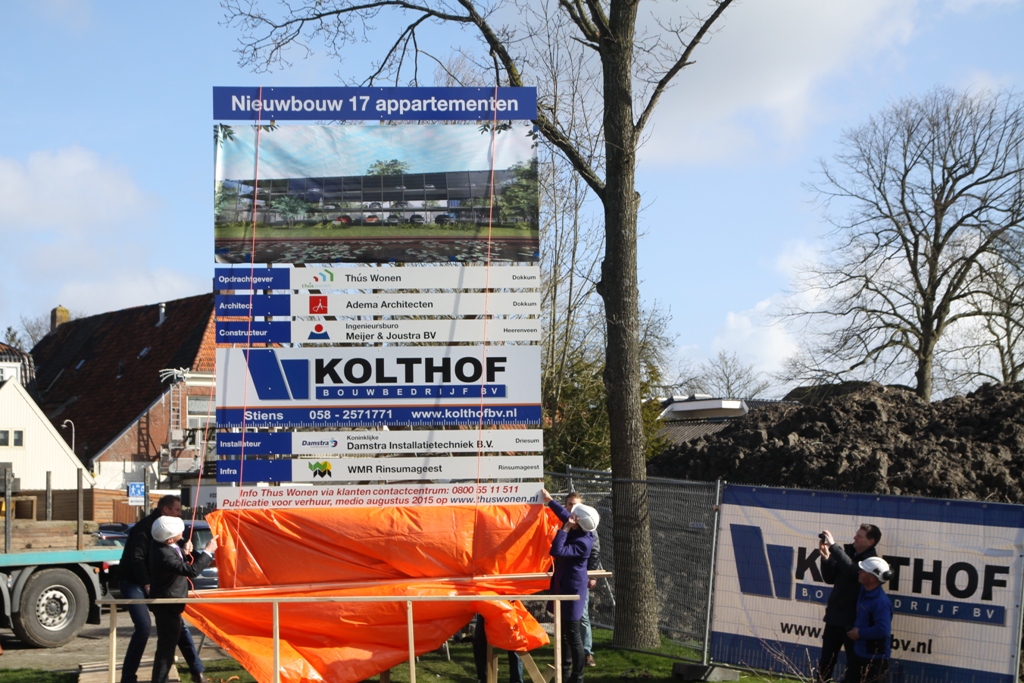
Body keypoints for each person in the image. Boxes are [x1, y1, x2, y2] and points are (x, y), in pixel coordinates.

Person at [117, 495, 207, 683]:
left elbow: (178, 547)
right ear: (166, 509)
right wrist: (146, 582)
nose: (179, 514)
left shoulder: (170, 528)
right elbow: (137, 558)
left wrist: (191, 551)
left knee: (178, 626)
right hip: (133, 581)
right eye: (177, 510)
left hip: (155, 583)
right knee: (143, 627)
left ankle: (197, 671)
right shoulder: (145, 527)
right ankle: (128, 677)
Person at [148, 515, 217, 683]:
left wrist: (187, 549)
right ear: (169, 539)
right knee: (166, 649)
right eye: (180, 532)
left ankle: (197, 672)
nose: (183, 533)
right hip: (167, 605)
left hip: (171, 605)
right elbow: (191, 571)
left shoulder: (166, 544)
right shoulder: (164, 554)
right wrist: (208, 551)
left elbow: (181, 557)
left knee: (180, 639)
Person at [541, 488, 598, 683]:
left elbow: (557, 550)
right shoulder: (581, 529)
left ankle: (577, 677)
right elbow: (566, 515)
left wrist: (564, 529)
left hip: (572, 589)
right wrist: (550, 501)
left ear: (577, 523)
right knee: (563, 633)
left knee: (573, 635)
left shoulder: (582, 542)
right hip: (563, 584)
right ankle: (564, 674)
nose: (570, 517)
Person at [817, 524, 881, 683]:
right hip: (834, 618)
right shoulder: (847, 554)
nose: (855, 538)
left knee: (854, 668)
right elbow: (830, 578)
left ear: (870, 541)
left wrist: (834, 547)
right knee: (825, 664)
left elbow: (853, 572)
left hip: (854, 623)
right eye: (856, 534)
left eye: (860, 536)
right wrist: (826, 559)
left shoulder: (872, 561)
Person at [565, 492, 601, 668]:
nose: (573, 508)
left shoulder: (588, 525)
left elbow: (594, 550)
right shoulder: (565, 524)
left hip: (580, 577)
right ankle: (567, 655)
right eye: (570, 504)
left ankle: (586, 653)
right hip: (564, 577)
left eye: (576, 505)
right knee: (564, 617)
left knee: (582, 615)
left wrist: (592, 575)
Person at [846, 557, 893, 683]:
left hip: (875, 660)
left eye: (864, 571)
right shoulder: (864, 591)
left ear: (872, 578)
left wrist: (859, 633)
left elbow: (883, 630)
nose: (859, 572)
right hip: (859, 654)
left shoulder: (880, 602)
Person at [472, 613, 524, 683]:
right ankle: (484, 679)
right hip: (485, 611)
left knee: (514, 643)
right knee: (479, 641)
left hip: (508, 612)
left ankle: (516, 680)